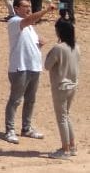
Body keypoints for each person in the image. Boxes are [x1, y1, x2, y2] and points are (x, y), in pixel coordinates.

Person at [4, 0, 53, 144]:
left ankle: (26, 128)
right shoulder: (14, 22)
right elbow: (29, 20)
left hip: (34, 67)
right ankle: (10, 130)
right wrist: (46, 10)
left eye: (29, 6)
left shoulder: (30, 27)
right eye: (25, 6)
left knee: (30, 100)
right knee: (15, 100)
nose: (28, 8)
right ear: (17, 8)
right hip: (20, 68)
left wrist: (39, 45)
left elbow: (28, 44)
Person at [44, 19, 80, 159]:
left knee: (62, 118)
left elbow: (47, 66)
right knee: (66, 115)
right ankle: (72, 146)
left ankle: (65, 149)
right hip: (72, 85)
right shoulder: (76, 46)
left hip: (61, 87)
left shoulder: (58, 48)